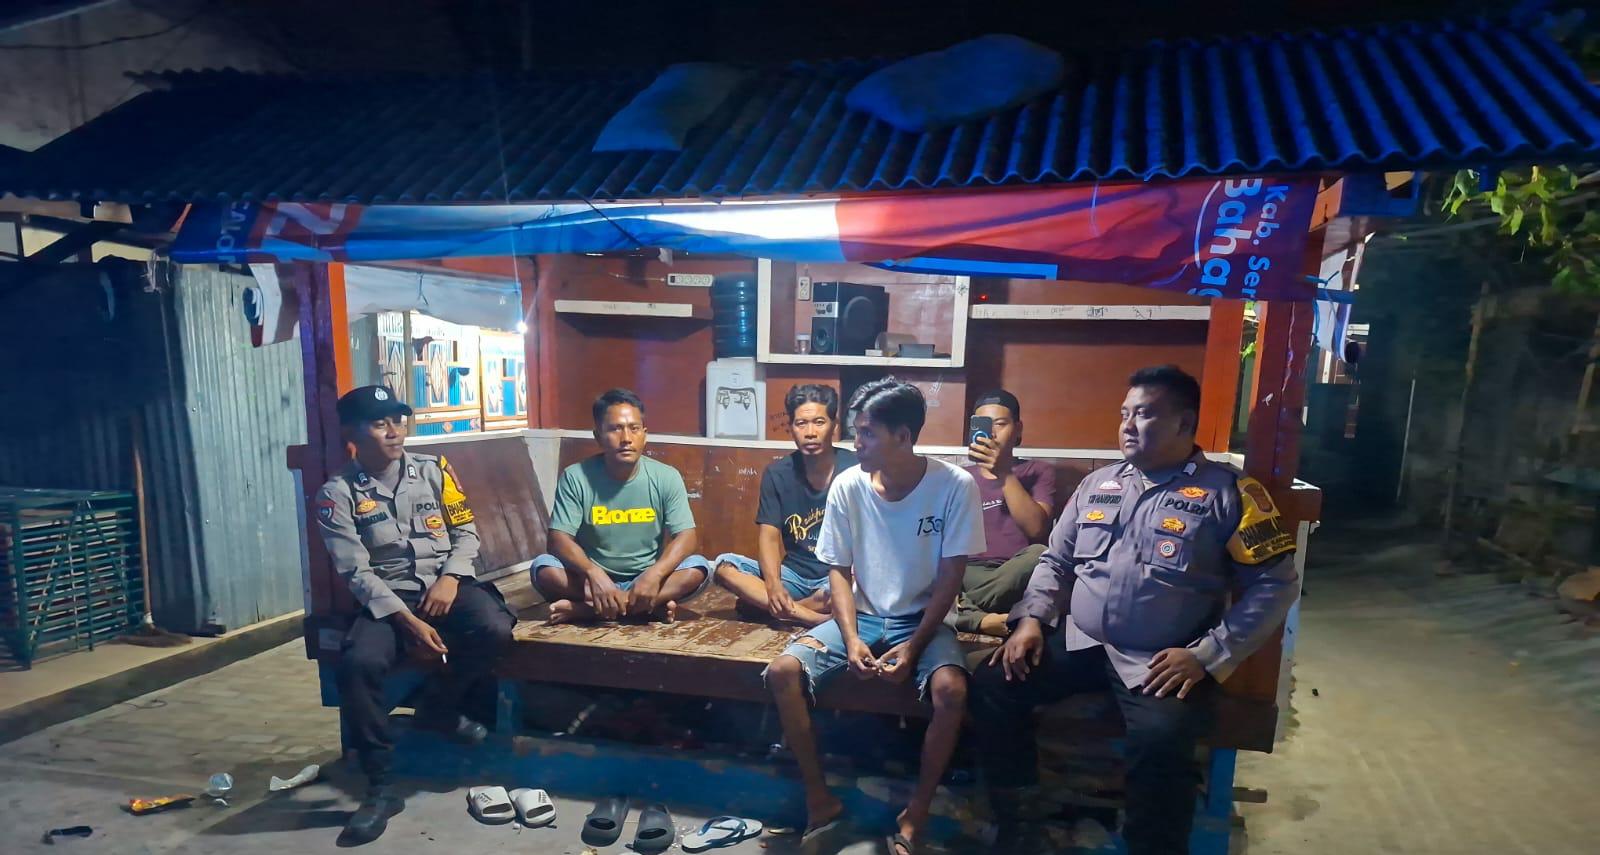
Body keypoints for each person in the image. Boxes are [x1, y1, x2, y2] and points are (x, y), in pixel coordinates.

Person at [971, 365, 1299, 855]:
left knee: (1164, 741)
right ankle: (1017, 822)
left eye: (1144, 414)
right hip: (1082, 641)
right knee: (994, 683)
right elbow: (1056, 561)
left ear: (1184, 423)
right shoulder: (1099, 484)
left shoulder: (1229, 492)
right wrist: (1032, 620)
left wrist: (1209, 655)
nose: (1127, 425)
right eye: (1125, 413)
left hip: (1160, 659)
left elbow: (1275, 584)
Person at [764, 378, 985, 855]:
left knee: (951, 691)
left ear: (902, 436)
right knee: (782, 671)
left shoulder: (954, 485)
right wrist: (850, 637)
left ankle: (916, 814)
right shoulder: (849, 485)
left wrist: (915, 646)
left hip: (923, 620)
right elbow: (838, 571)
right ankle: (820, 801)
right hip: (862, 616)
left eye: (866, 433)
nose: (855, 442)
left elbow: (951, 577)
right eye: (856, 431)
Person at [315, 385, 514, 846]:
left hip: (445, 586)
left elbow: (466, 532)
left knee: (494, 629)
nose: (394, 431)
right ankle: (381, 787)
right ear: (352, 434)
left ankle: (438, 710)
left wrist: (450, 578)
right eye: (379, 423)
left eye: (398, 421)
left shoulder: (434, 470)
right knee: (358, 664)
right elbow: (356, 571)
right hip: (390, 601)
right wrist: (407, 621)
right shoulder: (336, 494)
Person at [531, 388, 712, 623]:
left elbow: (686, 536)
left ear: (644, 435)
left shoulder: (666, 476)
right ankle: (645, 607)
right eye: (615, 428)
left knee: (698, 568)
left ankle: (590, 610)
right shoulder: (576, 477)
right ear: (598, 436)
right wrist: (593, 573)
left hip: (646, 580)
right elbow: (558, 539)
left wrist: (655, 574)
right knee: (544, 568)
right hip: (592, 583)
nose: (626, 438)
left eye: (634, 428)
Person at [712, 384, 857, 626]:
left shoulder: (855, 469)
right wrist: (773, 585)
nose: (810, 432)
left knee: (854, 589)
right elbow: (769, 538)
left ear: (834, 425)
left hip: (836, 576)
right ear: (791, 428)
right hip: (794, 576)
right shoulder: (777, 473)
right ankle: (810, 616)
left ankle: (770, 607)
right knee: (724, 566)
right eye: (801, 424)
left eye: (819, 422)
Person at [958, 390, 1056, 636]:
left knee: (1040, 553)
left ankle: (965, 613)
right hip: (967, 570)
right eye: (984, 425)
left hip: (1015, 572)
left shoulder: (1038, 471)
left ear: (1018, 429)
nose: (991, 433)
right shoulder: (960, 477)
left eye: (1000, 424)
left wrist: (1004, 472)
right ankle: (979, 616)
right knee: (932, 563)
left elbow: (1036, 529)